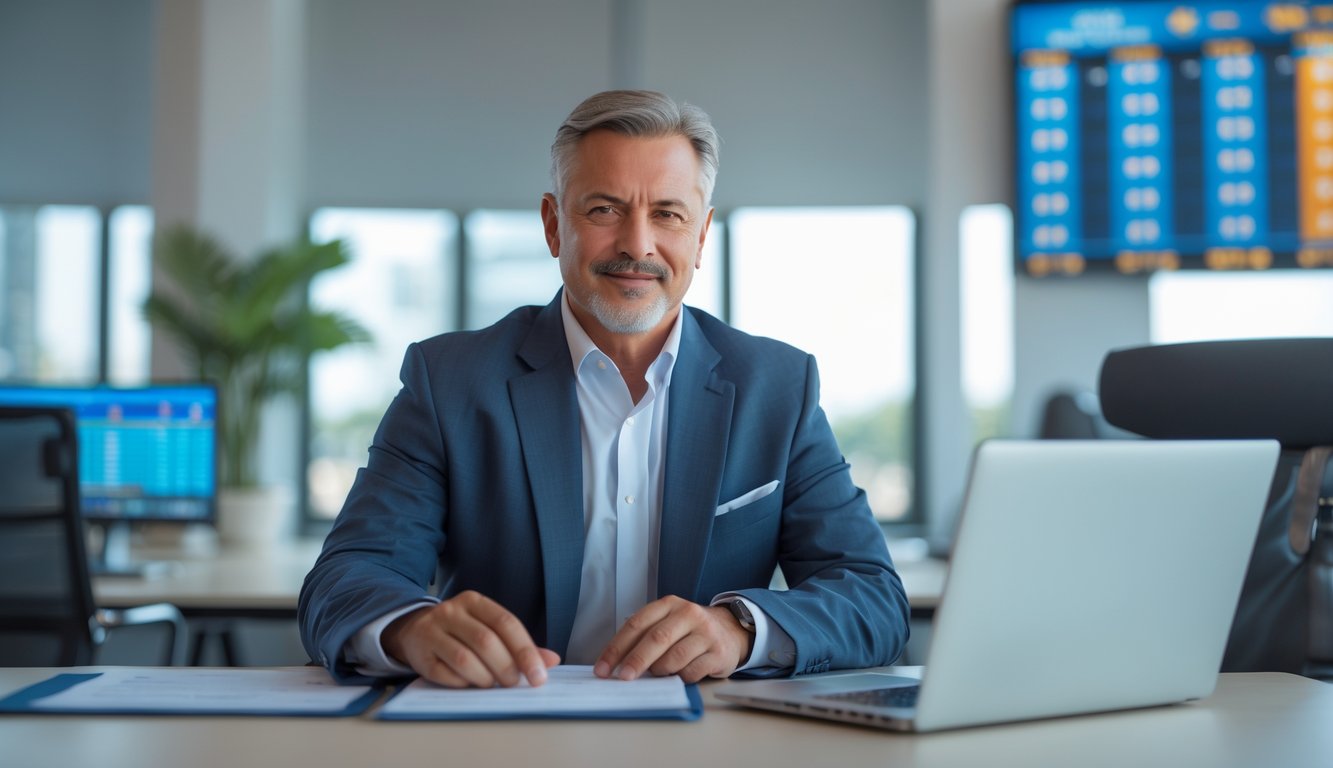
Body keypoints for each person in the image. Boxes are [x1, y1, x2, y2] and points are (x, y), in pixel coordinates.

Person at [298, 89, 910, 688]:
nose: (636, 245)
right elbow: (347, 577)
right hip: (504, 732)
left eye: (667, 214)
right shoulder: (450, 382)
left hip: (710, 742)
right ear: (552, 225)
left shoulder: (777, 387)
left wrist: (740, 632)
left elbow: (873, 597)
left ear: (700, 237)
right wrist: (410, 629)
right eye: (603, 210)